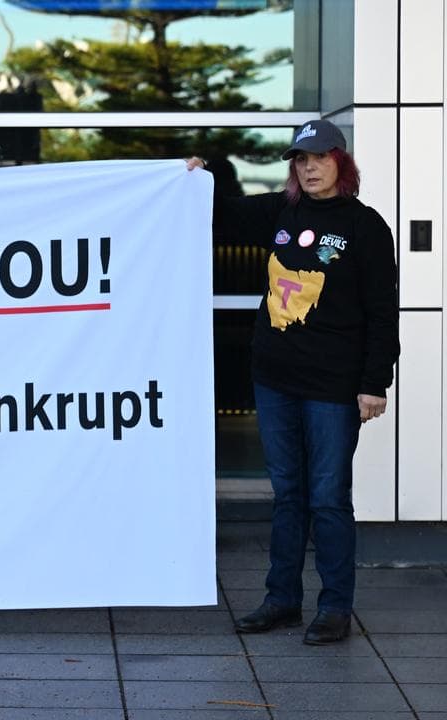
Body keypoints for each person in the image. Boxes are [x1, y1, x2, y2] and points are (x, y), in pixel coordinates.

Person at [188, 119, 399, 645]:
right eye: (300, 160)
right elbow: (224, 213)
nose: (308, 167)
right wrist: (197, 177)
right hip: (275, 378)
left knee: (327, 497)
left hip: (333, 386)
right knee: (287, 495)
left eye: (319, 158)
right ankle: (281, 599)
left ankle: (335, 608)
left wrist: (375, 383)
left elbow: (382, 312)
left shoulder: (367, 227)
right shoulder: (281, 212)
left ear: (340, 164)